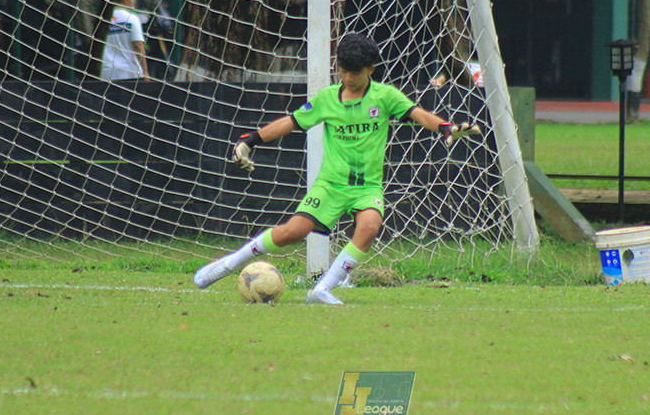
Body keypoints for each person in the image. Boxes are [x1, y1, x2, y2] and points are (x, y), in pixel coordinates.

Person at [194, 33, 481, 304]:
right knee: (293, 231)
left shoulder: (385, 96)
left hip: (366, 187)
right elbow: (290, 122)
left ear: (370, 69)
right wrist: (251, 141)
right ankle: (228, 264)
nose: (347, 78)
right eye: (342, 71)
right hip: (330, 185)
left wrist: (446, 127)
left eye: (354, 73)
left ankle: (323, 288)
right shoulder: (327, 98)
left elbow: (418, 114)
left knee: (369, 226)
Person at [100, 0, 151, 81]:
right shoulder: (132, 19)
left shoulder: (102, 20)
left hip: (107, 73)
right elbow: (138, 46)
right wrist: (146, 71)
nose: (133, 2)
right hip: (130, 73)